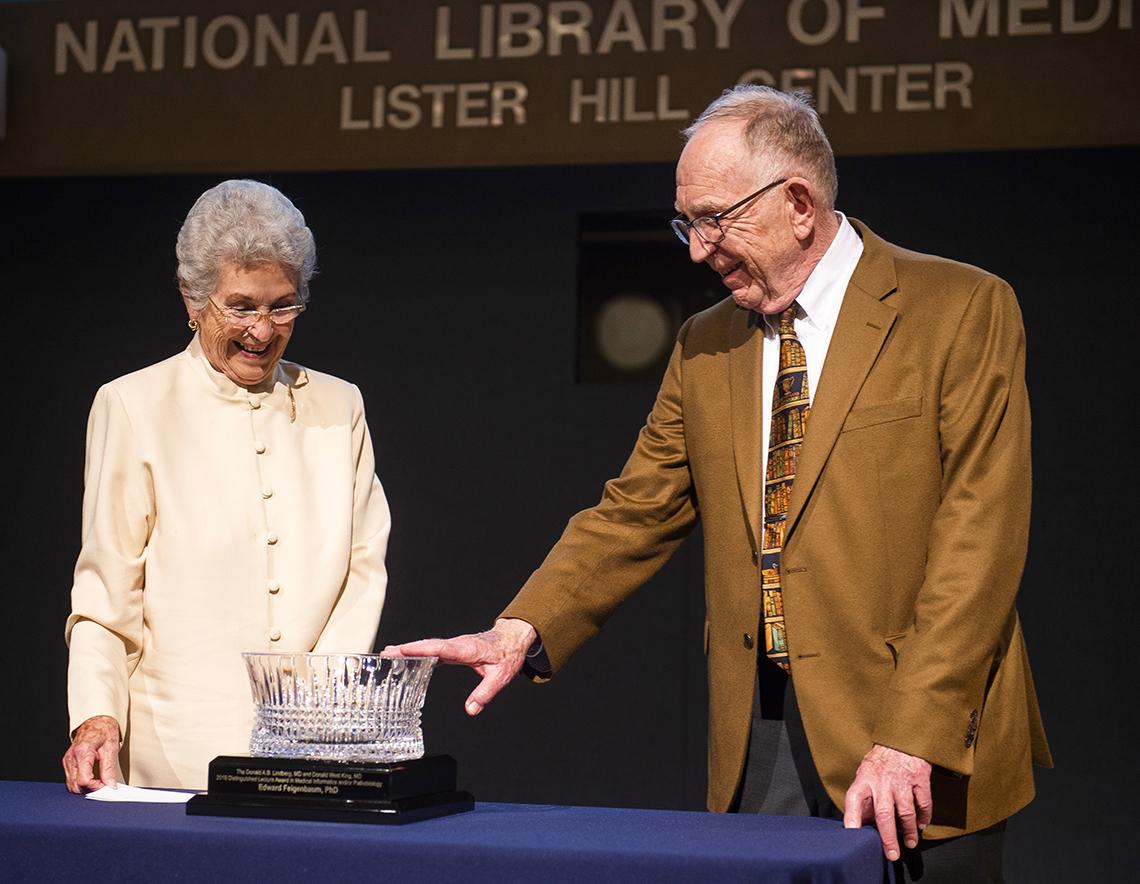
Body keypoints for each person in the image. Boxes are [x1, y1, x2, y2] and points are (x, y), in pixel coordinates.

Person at [389, 86, 1051, 881]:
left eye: (712, 219)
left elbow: (980, 539)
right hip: (761, 740)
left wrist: (915, 730)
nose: (697, 250)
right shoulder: (707, 343)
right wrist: (523, 626)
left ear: (798, 203)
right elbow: (634, 510)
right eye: (686, 223)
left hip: (917, 737)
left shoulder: (959, 308)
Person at [62, 180, 391, 793]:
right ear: (192, 300)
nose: (262, 332)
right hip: (177, 760)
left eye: (282, 306)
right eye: (240, 307)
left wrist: (316, 719)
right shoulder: (133, 405)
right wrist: (95, 716)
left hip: (313, 756)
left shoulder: (339, 405)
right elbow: (106, 596)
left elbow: (362, 569)